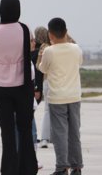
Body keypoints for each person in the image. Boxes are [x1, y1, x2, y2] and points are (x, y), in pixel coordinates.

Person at [0, 0, 39, 175]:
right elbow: (29, 52)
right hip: (23, 84)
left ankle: (9, 170)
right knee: (24, 128)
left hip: (0, 86)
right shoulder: (24, 29)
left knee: (7, 131)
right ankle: (28, 168)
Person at [38, 17, 83, 175]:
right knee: (74, 133)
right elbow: (80, 63)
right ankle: (77, 167)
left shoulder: (49, 51)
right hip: (74, 96)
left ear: (50, 34)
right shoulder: (76, 49)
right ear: (66, 31)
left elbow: (42, 69)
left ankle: (62, 167)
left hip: (57, 97)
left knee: (59, 134)